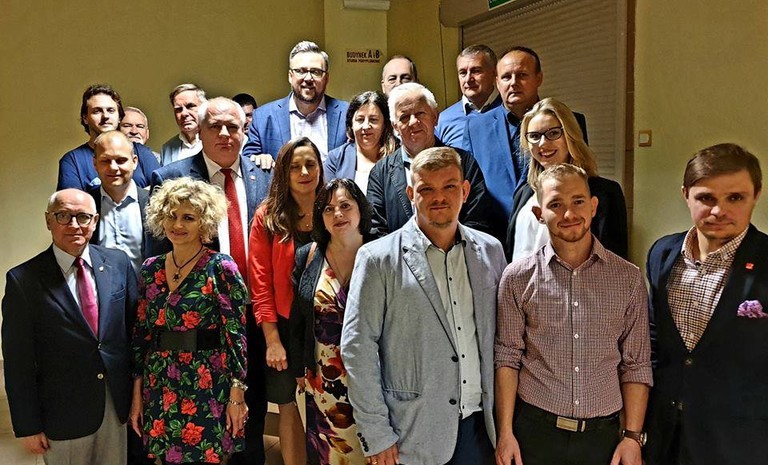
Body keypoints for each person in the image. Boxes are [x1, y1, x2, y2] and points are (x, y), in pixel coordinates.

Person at [342, 147, 506, 465]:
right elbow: (357, 348)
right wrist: (376, 433)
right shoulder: (377, 259)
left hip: (481, 428)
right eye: (426, 189)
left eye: (449, 186)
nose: (439, 197)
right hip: (410, 432)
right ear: (411, 194)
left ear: (465, 191)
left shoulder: (491, 251)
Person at [495, 164, 652, 465]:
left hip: (602, 438)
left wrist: (632, 437)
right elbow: (507, 357)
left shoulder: (628, 279)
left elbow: (636, 364)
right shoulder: (517, 278)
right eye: (556, 204)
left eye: (578, 201)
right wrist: (505, 432)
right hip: (534, 433)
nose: (569, 214)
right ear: (539, 214)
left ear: (593, 206)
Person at [150, 97, 272, 465]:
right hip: (198, 328)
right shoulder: (171, 177)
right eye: (214, 126)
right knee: (199, 428)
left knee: (251, 413)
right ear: (199, 132)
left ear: (244, 131)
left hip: (254, 317)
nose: (224, 134)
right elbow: (160, 260)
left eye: (233, 126)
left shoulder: (265, 177)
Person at [645, 143, 768, 465]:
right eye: (706, 198)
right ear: (686, 194)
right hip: (664, 436)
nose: (718, 211)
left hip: (739, 442)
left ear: (756, 195)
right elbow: (655, 340)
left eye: (735, 198)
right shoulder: (662, 253)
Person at [2, 189, 137, 465]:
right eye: (63, 216)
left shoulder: (118, 263)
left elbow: (134, 332)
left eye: (83, 217)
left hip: (115, 408)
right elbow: (18, 362)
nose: (74, 225)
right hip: (62, 415)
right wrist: (27, 426)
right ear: (48, 220)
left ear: (95, 221)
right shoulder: (23, 280)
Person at [131, 177, 249, 464]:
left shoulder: (221, 267)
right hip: (160, 380)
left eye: (188, 217)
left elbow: (236, 336)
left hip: (207, 379)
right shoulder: (150, 269)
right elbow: (142, 334)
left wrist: (237, 393)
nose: (178, 224)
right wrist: (137, 392)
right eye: (171, 216)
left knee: (208, 456)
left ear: (203, 222)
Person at [249, 137, 325, 465]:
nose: (304, 172)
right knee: (289, 406)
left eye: (310, 164)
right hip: (282, 326)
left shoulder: (334, 208)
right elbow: (260, 284)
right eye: (295, 166)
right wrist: (272, 340)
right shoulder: (267, 216)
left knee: (329, 404)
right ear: (283, 171)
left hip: (327, 325)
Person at [289, 178, 372, 465]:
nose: (337, 214)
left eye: (345, 206)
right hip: (323, 381)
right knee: (330, 456)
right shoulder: (309, 255)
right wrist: (299, 367)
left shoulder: (380, 253)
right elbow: (298, 319)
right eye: (328, 209)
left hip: (373, 380)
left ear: (360, 210)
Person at [462, 46, 588, 219]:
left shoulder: (570, 122)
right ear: (497, 82)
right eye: (506, 77)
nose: (513, 83)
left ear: (539, 78)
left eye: (522, 75)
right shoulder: (475, 128)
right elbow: (472, 190)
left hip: (557, 226)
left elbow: (581, 177)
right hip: (496, 231)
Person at [506, 98, 627, 261]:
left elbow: (614, 262)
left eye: (553, 133)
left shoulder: (605, 192)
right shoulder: (524, 193)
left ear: (571, 135)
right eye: (534, 136)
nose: (542, 143)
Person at [367, 82, 492, 237]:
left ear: (435, 117)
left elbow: (478, 220)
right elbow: (376, 230)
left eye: (420, 113)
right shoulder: (380, 173)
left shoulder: (463, 162)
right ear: (395, 126)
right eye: (404, 117)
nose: (413, 122)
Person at [243, 41, 349, 161]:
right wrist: (258, 159)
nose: (308, 78)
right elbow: (247, 161)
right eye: (301, 71)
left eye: (316, 72)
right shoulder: (263, 117)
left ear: (326, 78)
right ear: (290, 76)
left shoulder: (347, 114)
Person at [57, 84, 160, 191]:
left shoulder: (140, 152)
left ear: (119, 117)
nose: (105, 116)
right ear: (85, 118)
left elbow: (162, 189)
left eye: (111, 110)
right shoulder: (73, 160)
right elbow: (71, 200)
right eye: (97, 111)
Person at [89, 130, 149, 274]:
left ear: (134, 162)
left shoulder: (154, 203)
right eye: (105, 161)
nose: (113, 167)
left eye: (121, 160)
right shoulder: (86, 207)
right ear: (95, 163)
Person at [324, 91, 396, 192]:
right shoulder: (335, 159)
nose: (366, 126)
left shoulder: (398, 157)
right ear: (351, 124)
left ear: (384, 124)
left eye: (373, 120)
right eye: (360, 119)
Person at [436, 45, 501, 147]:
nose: (468, 79)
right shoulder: (443, 120)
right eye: (463, 73)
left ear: (494, 73)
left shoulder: (510, 111)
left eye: (476, 71)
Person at [160, 84, 207, 166]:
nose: (184, 113)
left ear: (204, 108)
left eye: (190, 106)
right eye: (178, 109)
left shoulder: (217, 141)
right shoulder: (167, 148)